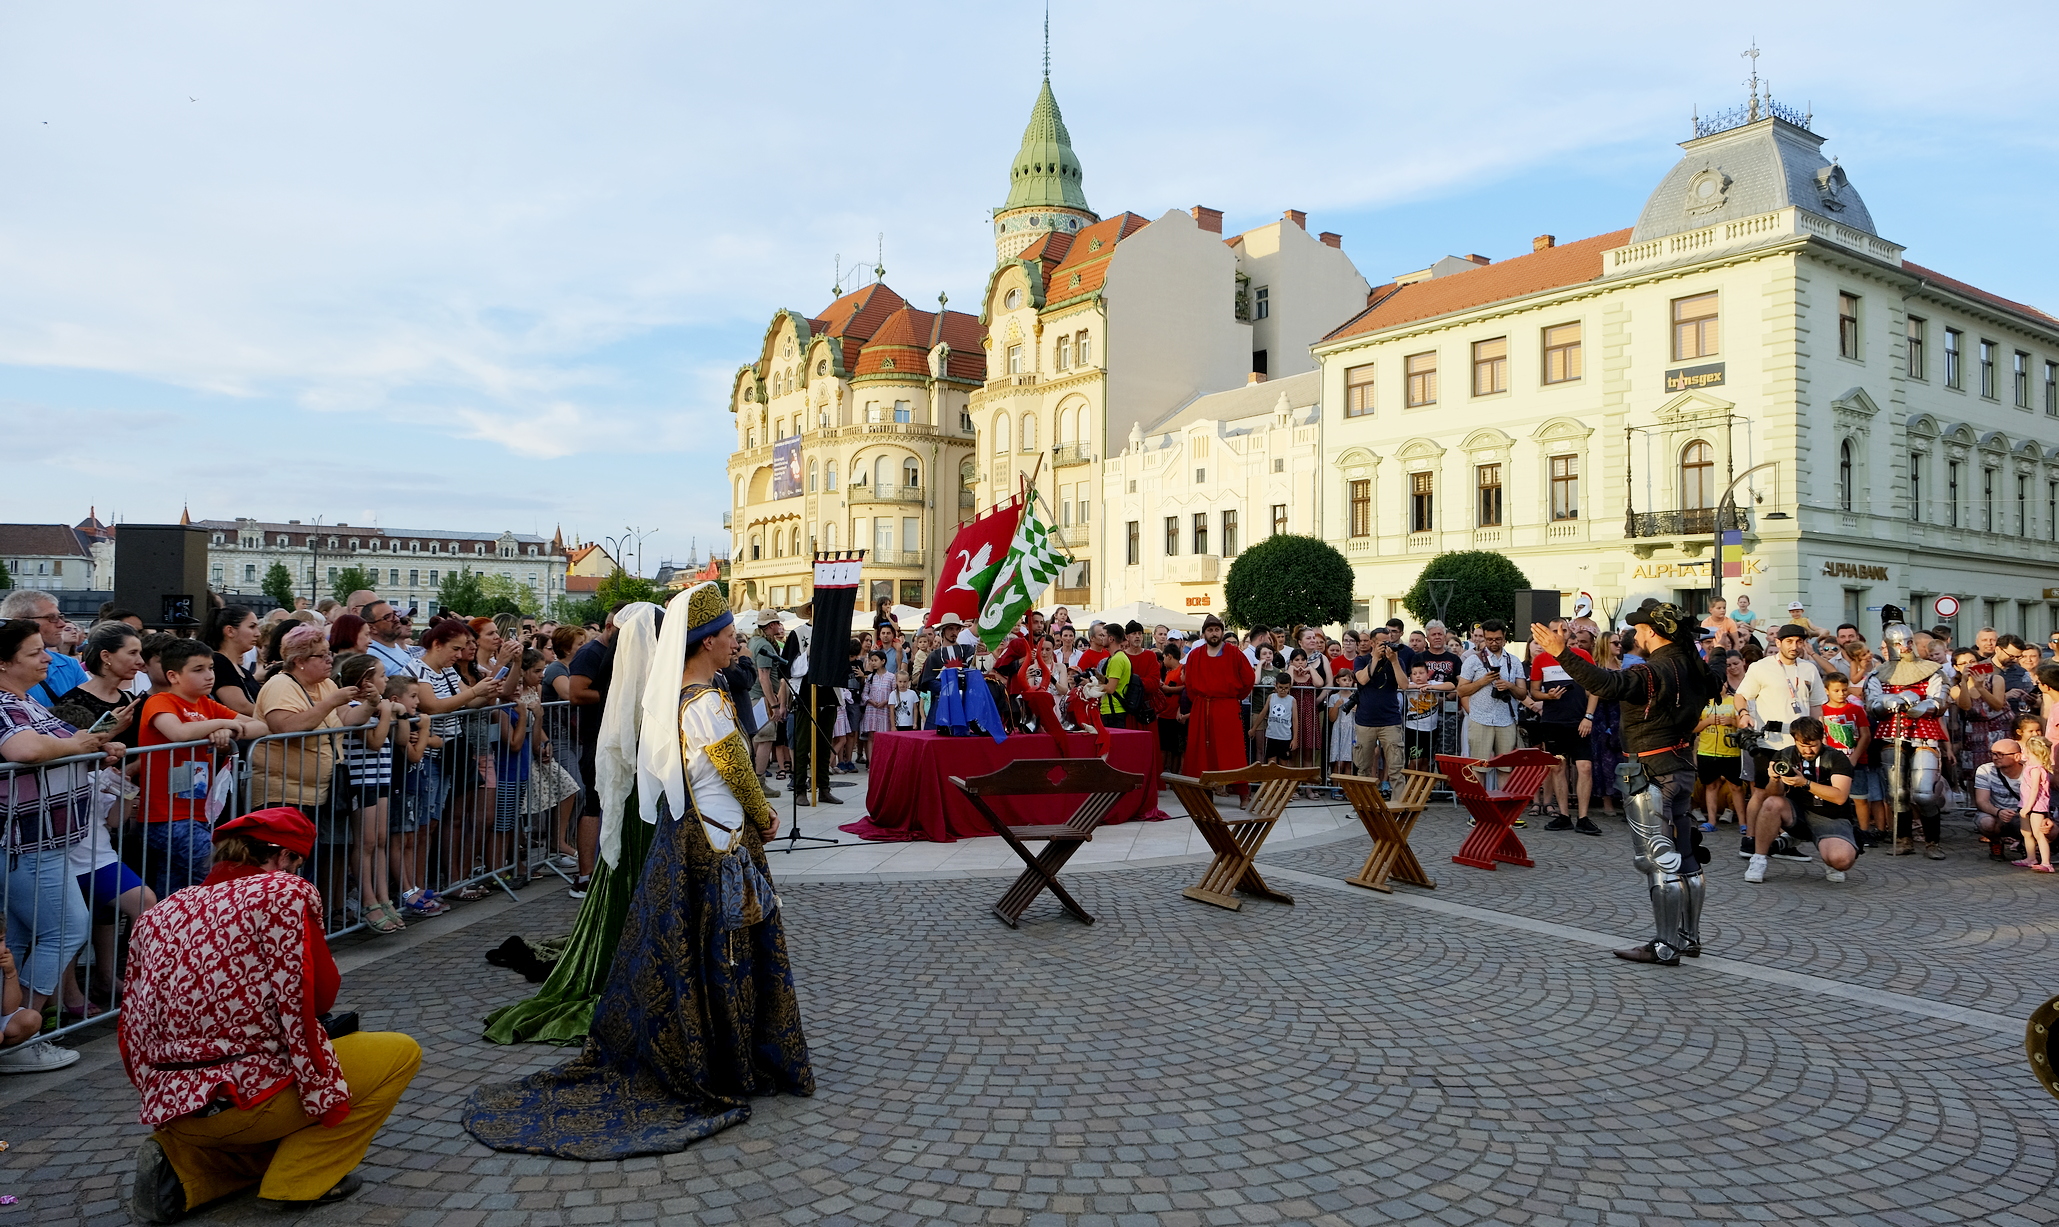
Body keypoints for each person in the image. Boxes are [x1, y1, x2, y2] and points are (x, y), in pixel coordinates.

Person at [466, 583, 813, 1158]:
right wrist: (763, 813)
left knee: (696, 947)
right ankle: (728, 1059)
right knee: (723, 948)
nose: (735, 643)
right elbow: (733, 767)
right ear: (705, 641)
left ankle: (720, 1051)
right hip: (718, 839)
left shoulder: (678, 694)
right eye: (729, 635)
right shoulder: (704, 701)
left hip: (694, 834)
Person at [122, 807, 423, 1222]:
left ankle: (183, 1166)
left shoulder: (161, 912)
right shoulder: (281, 892)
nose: (298, 873)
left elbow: (132, 1021)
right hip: (250, 1097)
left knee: (243, 1122)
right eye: (298, 863)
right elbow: (319, 997)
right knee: (400, 1052)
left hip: (174, 1104)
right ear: (283, 856)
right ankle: (297, 1180)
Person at [1533, 604, 1711, 966]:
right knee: (1686, 856)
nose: (1635, 634)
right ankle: (1688, 937)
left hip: (1652, 771)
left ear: (1653, 632)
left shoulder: (1653, 670)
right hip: (1679, 767)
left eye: (1640, 628)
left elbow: (1606, 684)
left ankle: (1665, 945)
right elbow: (1716, 672)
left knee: (1658, 859)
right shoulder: (1691, 665)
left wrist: (1561, 652)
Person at [0, 619, 126, 1073]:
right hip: (27, 842)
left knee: (21, 938)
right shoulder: (3, 704)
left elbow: (63, 743)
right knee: (68, 929)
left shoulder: (27, 700)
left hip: (46, 840)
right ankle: (19, 1034)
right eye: (34, 652)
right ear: (4, 663)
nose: (47, 659)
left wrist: (96, 747)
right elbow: (24, 751)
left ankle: (14, 1031)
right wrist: (78, 745)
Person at [136, 640, 271, 898]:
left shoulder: (207, 705)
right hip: (166, 817)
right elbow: (178, 732)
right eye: (198, 669)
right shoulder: (160, 701)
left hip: (199, 814)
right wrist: (219, 724)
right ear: (173, 676)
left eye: (210, 668)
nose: (209, 675)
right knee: (219, 873)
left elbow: (261, 727)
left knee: (177, 890)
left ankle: (171, 924)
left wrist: (226, 728)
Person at [1734, 623, 1827, 876]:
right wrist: (1743, 714)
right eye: (1789, 641)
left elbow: (1816, 705)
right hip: (1770, 740)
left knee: (1793, 791)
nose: (1794, 646)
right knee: (1762, 791)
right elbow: (1741, 696)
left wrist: (1819, 735)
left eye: (1799, 642)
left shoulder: (1809, 669)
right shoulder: (1761, 667)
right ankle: (1750, 840)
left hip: (1800, 742)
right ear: (1778, 642)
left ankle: (1783, 841)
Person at [1865, 607, 1950, 859]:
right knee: (1896, 793)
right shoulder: (1878, 673)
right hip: (1892, 732)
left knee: (1924, 794)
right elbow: (1872, 704)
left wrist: (1922, 705)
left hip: (1924, 730)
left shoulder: (1932, 670)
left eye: (1908, 642)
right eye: (1899, 643)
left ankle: (1933, 842)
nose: (1905, 647)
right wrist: (1887, 701)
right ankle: (1904, 839)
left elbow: (1940, 700)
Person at [1754, 716, 1861, 883]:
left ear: (1822, 739)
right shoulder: (1784, 755)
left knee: (1841, 860)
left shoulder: (1836, 757)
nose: (1808, 751)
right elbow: (1772, 795)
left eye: (1813, 745)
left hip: (1831, 818)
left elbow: (1840, 797)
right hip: (1798, 814)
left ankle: (1828, 852)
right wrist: (1774, 780)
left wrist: (1805, 783)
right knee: (1771, 804)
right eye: (1803, 746)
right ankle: (1758, 860)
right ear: (1795, 740)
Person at [1530, 619, 1600, 835]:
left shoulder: (1583, 656)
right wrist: (1548, 696)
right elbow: (1534, 692)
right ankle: (1563, 816)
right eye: (1554, 630)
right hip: (1553, 721)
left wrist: (1588, 717)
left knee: (1584, 768)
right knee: (1558, 767)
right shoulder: (1540, 659)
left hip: (1580, 721)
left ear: (1569, 633)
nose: (1559, 633)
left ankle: (1584, 817)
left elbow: (1595, 688)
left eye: (1563, 630)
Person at [1181, 615, 1255, 777]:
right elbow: (1190, 683)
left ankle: (1236, 786)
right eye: (1210, 630)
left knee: (1230, 749)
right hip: (1202, 708)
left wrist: (1234, 697)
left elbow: (1249, 678)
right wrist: (1199, 701)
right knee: (1201, 751)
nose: (1214, 633)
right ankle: (1203, 785)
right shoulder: (1195, 655)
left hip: (1227, 708)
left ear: (1222, 632)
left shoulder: (1234, 653)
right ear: (1204, 634)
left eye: (1217, 630)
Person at [1456, 620, 1526, 774]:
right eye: (1489, 639)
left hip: (1506, 720)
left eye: (1498, 639)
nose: (1493, 643)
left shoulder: (1514, 661)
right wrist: (1482, 681)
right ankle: (1479, 792)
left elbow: (1522, 693)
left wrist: (1509, 686)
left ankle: (1504, 792)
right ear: (1484, 638)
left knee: (1505, 769)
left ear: (1504, 637)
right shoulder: (1473, 660)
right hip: (1480, 718)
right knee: (1478, 768)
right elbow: (1461, 691)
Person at [0, 589, 87, 709]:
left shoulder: (69, 665)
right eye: (51, 618)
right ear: (20, 621)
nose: (62, 624)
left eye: (60, 617)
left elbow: (88, 713)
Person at [1819, 671, 1876, 843]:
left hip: (1856, 760)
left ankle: (1864, 832)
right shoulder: (1822, 710)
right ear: (1826, 690)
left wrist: (1855, 757)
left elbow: (1866, 736)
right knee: (1832, 797)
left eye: (1844, 690)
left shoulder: (1856, 709)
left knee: (1860, 798)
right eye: (1836, 690)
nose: (1841, 694)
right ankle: (1833, 830)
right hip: (1831, 762)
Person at [1348, 627, 1408, 790]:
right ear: (1372, 643)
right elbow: (1362, 680)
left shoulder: (1397, 661)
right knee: (1363, 769)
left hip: (1390, 721)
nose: (1387, 646)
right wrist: (1375, 658)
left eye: (1389, 642)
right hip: (1365, 721)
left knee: (1396, 769)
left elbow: (1404, 685)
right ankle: (1365, 803)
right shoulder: (1361, 660)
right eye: (1383, 643)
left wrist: (1394, 661)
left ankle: (1398, 804)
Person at [1976, 738, 2029, 861]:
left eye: (2000, 754)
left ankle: (2026, 845)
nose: (1995, 758)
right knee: (1986, 823)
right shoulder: (1985, 770)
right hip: (1997, 815)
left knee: (2050, 831)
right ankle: (1996, 843)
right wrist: (1998, 812)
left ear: (2017, 756)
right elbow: (1981, 801)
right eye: (1993, 754)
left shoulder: (2031, 771)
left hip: (2024, 815)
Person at [2016, 737, 2054, 871]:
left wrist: (2028, 807)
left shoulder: (2036, 769)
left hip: (2036, 805)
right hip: (2025, 803)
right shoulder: (2029, 765)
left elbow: (2035, 789)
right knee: (2026, 832)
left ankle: (2046, 863)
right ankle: (2030, 857)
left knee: (2039, 834)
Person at [1254, 672, 1297, 764]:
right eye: (1280, 687)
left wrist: (1295, 739)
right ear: (1276, 686)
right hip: (1271, 736)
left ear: (1290, 687)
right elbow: (1263, 713)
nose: (1283, 690)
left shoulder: (1292, 700)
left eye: (1286, 688)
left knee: (1283, 763)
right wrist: (1254, 728)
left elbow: (1295, 720)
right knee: (1271, 763)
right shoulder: (1271, 697)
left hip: (1285, 737)